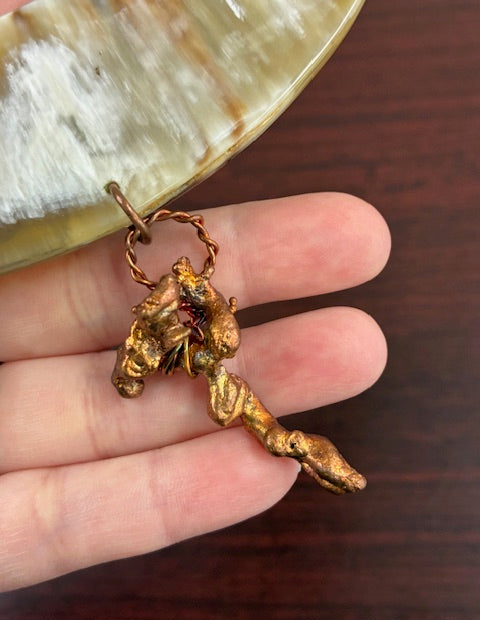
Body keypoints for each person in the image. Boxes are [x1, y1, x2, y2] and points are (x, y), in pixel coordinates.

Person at [0, 193, 390, 591]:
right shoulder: (150, 345)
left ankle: (331, 467)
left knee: (278, 437)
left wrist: (190, 302)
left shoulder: (191, 324)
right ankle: (323, 463)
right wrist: (146, 358)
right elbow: (131, 373)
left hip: (213, 359)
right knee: (277, 439)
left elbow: (184, 322)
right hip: (208, 365)